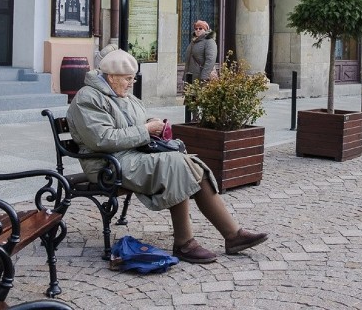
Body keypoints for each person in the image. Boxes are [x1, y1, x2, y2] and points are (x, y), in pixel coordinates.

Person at [67, 48, 268, 264]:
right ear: (111, 77)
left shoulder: (123, 95)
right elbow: (103, 139)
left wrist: (154, 125)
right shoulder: (87, 99)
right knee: (176, 164)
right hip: (107, 164)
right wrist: (145, 130)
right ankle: (184, 243)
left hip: (132, 155)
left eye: (132, 79)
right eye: (127, 79)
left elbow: (136, 121)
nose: (131, 83)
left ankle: (233, 235)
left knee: (192, 165)